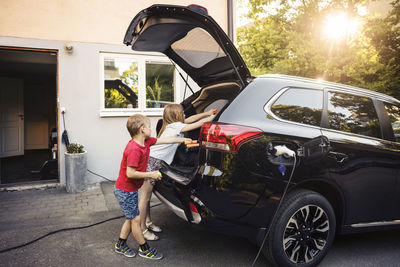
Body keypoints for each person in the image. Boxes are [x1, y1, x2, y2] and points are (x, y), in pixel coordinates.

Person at [113, 114, 190, 260]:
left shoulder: (146, 142)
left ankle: (120, 244)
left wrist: (182, 139)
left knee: (131, 219)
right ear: (142, 129)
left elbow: (164, 140)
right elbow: (130, 173)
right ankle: (145, 249)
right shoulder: (134, 149)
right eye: (149, 126)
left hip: (129, 190)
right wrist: (151, 174)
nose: (151, 129)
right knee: (135, 220)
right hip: (124, 191)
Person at [139, 104, 215, 241]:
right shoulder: (176, 126)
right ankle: (142, 230)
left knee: (148, 197)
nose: (185, 115)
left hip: (155, 161)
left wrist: (206, 112)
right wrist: (212, 118)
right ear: (176, 116)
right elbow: (196, 124)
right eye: (182, 113)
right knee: (144, 198)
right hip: (151, 162)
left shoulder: (172, 124)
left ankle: (148, 222)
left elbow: (191, 119)